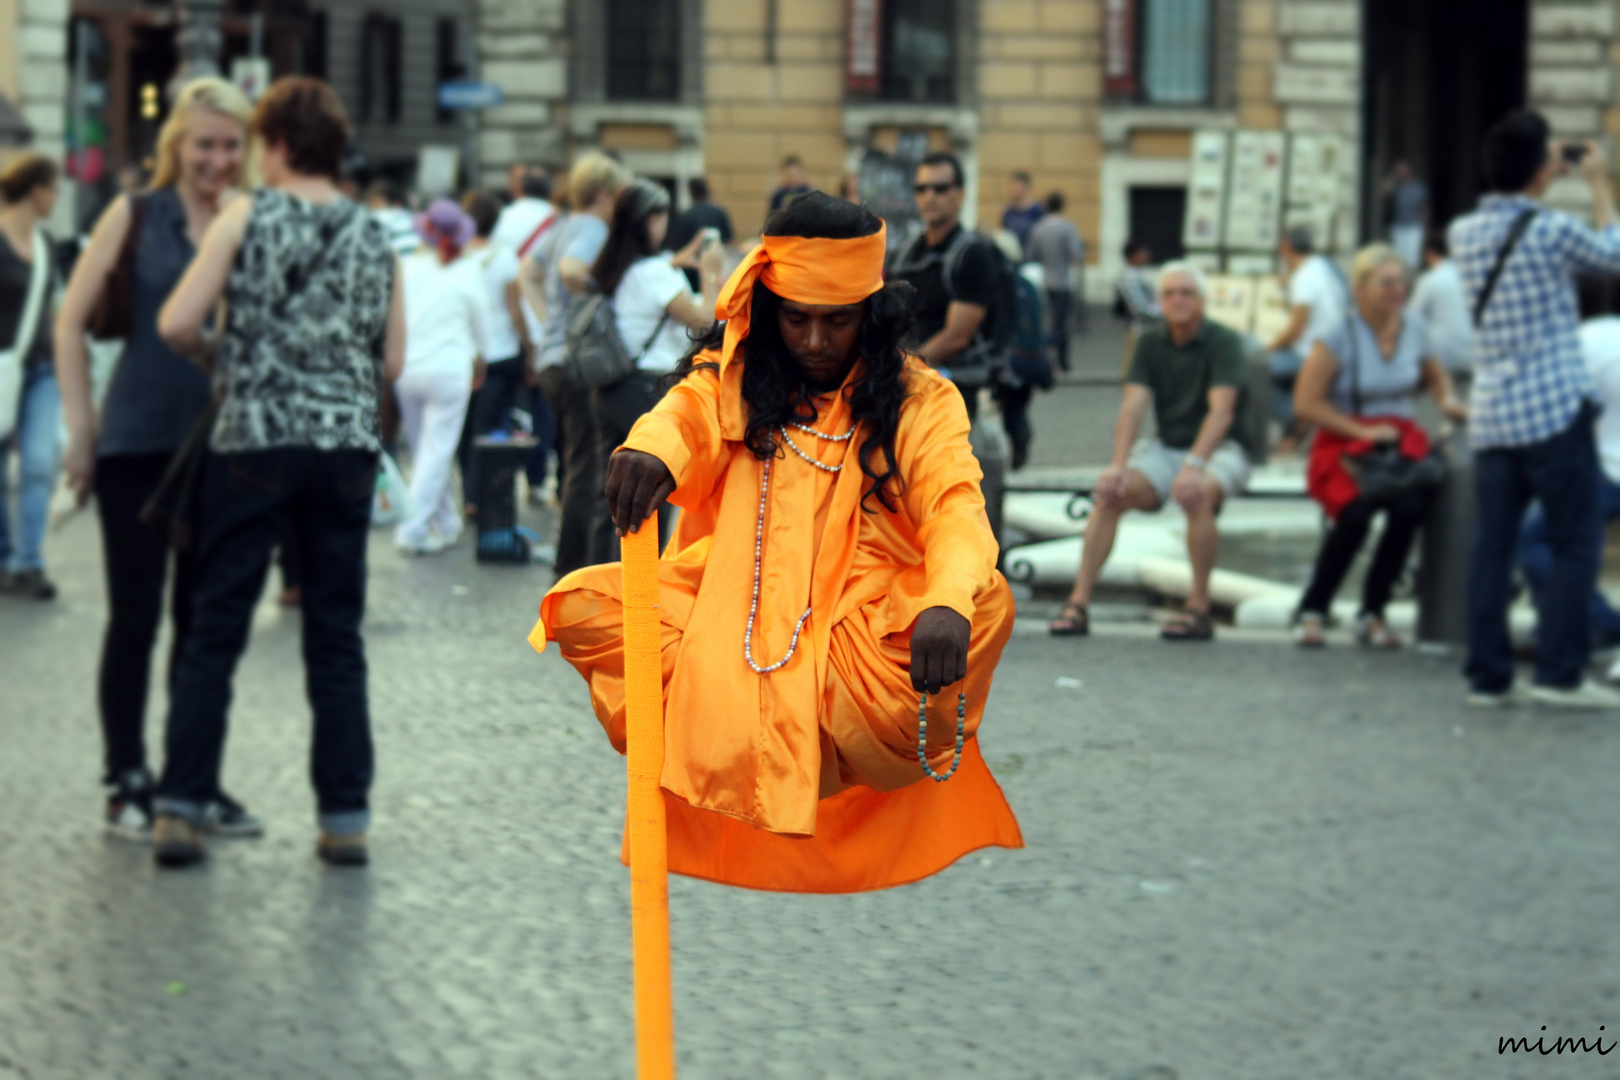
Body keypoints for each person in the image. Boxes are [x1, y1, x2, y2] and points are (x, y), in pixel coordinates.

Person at [531, 192, 1024, 893]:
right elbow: (686, 416)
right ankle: (749, 732)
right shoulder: (730, 378)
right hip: (733, 617)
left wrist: (946, 602)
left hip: (856, 638)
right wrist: (651, 450)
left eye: (837, 322)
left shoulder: (922, 398)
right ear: (769, 311)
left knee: (987, 603)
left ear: (871, 317)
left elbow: (953, 504)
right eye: (797, 320)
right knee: (582, 606)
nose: (817, 343)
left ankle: (799, 733)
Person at [150, 76, 404, 867]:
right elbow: (391, 359)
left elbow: (176, 321)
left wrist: (226, 354)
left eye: (260, 142)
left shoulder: (246, 216)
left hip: (255, 439)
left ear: (281, 146)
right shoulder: (374, 236)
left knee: (216, 625)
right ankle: (344, 818)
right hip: (344, 450)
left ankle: (183, 803)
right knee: (335, 637)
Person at [55, 77, 259, 839]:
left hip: (227, 446)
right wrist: (81, 427)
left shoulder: (254, 219)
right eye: (204, 143)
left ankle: (188, 779)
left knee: (204, 623)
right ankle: (125, 775)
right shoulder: (135, 214)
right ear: (176, 142)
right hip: (137, 442)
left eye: (230, 145)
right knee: (136, 617)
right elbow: (70, 320)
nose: (216, 158)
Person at [1453, 111, 1620, 709]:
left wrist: (1543, 171)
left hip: (1493, 414)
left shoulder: (1463, 232)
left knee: (1491, 547)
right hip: (1552, 410)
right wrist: (1599, 182)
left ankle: (1487, 677)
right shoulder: (1550, 229)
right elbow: (1614, 254)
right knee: (1576, 544)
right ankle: (1559, 674)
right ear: (1538, 170)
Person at [1049, 262, 1252, 642]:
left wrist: (1194, 466)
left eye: (1187, 293)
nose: (1178, 300)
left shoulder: (1223, 340)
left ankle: (1198, 605)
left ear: (1203, 301)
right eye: (1171, 293)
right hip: (1167, 447)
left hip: (1220, 448)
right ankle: (1078, 602)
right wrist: (1118, 465)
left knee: (1197, 493)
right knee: (1110, 495)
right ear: (1159, 301)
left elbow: (1221, 410)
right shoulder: (1150, 342)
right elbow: (1133, 406)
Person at [1291, 244, 1467, 648]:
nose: (1396, 291)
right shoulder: (1338, 336)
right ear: (1360, 289)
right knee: (1356, 514)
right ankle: (1313, 607)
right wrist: (1360, 431)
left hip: (1398, 442)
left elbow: (1435, 376)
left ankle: (1373, 610)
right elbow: (1307, 402)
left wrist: (1447, 402)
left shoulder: (1415, 328)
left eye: (1401, 282)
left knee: (1408, 510)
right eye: (1385, 283)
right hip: (1345, 445)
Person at [586, 180, 723, 562]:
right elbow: (704, 324)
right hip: (646, 391)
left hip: (612, 388)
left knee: (610, 496)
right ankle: (637, 595)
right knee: (649, 499)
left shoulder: (620, 266)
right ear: (650, 220)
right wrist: (711, 273)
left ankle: (595, 585)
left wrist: (680, 260)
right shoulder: (654, 273)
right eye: (661, 215)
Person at [519, 152, 630, 578]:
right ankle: (575, 570)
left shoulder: (562, 225)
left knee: (575, 462)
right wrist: (601, 289)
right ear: (604, 193)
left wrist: (549, 323)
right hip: (577, 362)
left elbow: (527, 272)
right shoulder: (592, 227)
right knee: (586, 469)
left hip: (553, 359)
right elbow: (569, 271)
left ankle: (570, 566)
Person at [1519, 285, 1620, 658]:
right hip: (1605, 464)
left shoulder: (1584, 341)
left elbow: (1561, 409)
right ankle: (1555, 627)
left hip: (1605, 467)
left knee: (1532, 541)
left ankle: (1598, 623)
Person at [394, 198, 490, 555]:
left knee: (427, 451)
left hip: (407, 367)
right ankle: (413, 528)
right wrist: (482, 361)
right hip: (448, 368)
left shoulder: (408, 267)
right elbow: (482, 328)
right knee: (437, 451)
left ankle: (445, 522)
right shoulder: (467, 271)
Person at [892, 151, 999, 423]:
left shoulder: (972, 254)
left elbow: (956, 337)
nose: (930, 196)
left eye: (940, 188)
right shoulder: (905, 253)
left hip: (952, 390)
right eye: (921, 188)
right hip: (906, 387)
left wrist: (901, 372)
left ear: (960, 194)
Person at [0, 153, 62, 602]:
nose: (57, 198)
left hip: (41, 368)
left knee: (39, 464)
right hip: (1, 368)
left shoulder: (48, 245)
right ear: (36, 190)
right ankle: (4, 557)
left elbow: (55, 309)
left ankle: (29, 563)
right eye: (54, 189)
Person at [456, 189, 530, 513]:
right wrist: (529, 347)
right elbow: (516, 310)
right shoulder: (505, 257)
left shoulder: (453, 256)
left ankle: (469, 494)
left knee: (464, 429)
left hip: (463, 354)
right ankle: (480, 494)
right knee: (490, 427)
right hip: (501, 354)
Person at [1266, 225, 1348, 450]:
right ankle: (1296, 430)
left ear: (1286, 247)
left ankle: (1304, 414)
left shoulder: (1304, 277)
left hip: (1311, 352)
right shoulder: (1322, 266)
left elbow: (1296, 330)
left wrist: (1268, 348)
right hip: (1333, 349)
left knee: (1254, 371)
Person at [1027, 191, 1085, 373]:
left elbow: (1032, 254)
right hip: (1063, 281)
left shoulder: (1038, 228)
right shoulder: (1067, 228)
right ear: (1063, 205)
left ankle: (1047, 354)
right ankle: (1060, 359)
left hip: (1045, 280)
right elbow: (1077, 254)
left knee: (1048, 320)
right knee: (1061, 323)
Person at [1408, 229, 1475, 375]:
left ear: (1429, 254)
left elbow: (1412, 318)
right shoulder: (1470, 275)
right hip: (1473, 355)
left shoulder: (1429, 279)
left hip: (1440, 359)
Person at [662, 176, 733, 291]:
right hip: (717, 268)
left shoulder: (686, 216)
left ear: (691, 192)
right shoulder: (720, 212)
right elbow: (730, 242)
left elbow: (677, 246)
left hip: (691, 271)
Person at [1384, 160, 1429, 269]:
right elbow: (1384, 190)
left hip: (1414, 226)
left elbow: (1425, 207)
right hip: (1398, 226)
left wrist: (1425, 226)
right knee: (1398, 257)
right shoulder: (1396, 186)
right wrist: (1393, 176)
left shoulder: (1418, 187)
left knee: (1412, 259)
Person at [363, 180, 418, 256]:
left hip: (400, 262)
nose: (367, 207)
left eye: (368, 202)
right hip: (419, 258)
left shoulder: (377, 218)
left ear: (378, 200)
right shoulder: (406, 214)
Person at [1001, 171, 1044, 258]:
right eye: (1013, 186)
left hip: (1031, 258)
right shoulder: (1009, 211)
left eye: (1018, 187)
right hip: (1012, 257)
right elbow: (1005, 233)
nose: (1015, 190)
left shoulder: (1037, 211)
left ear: (1026, 188)